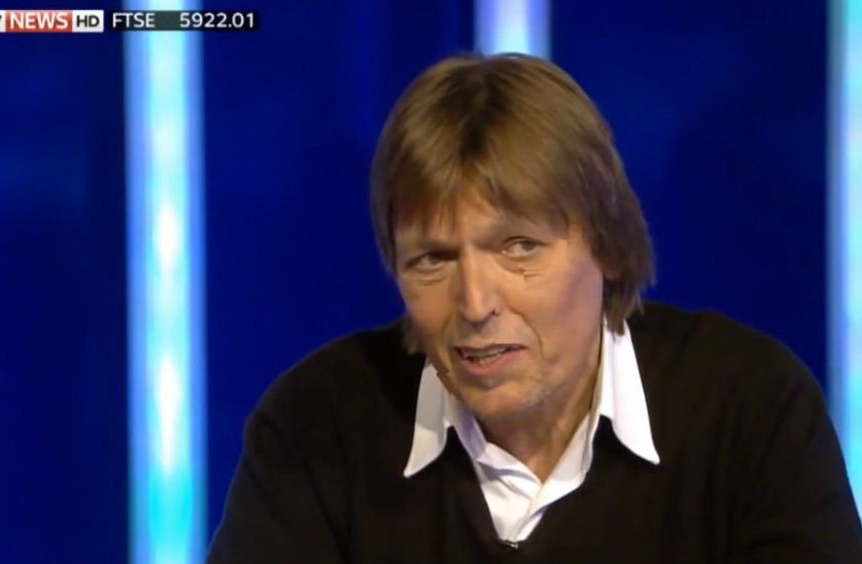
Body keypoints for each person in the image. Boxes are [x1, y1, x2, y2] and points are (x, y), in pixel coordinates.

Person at [207, 53, 862, 563]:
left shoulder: (750, 411)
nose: (475, 304)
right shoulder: (317, 428)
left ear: (606, 246)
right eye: (432, 259)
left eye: (518, 247)